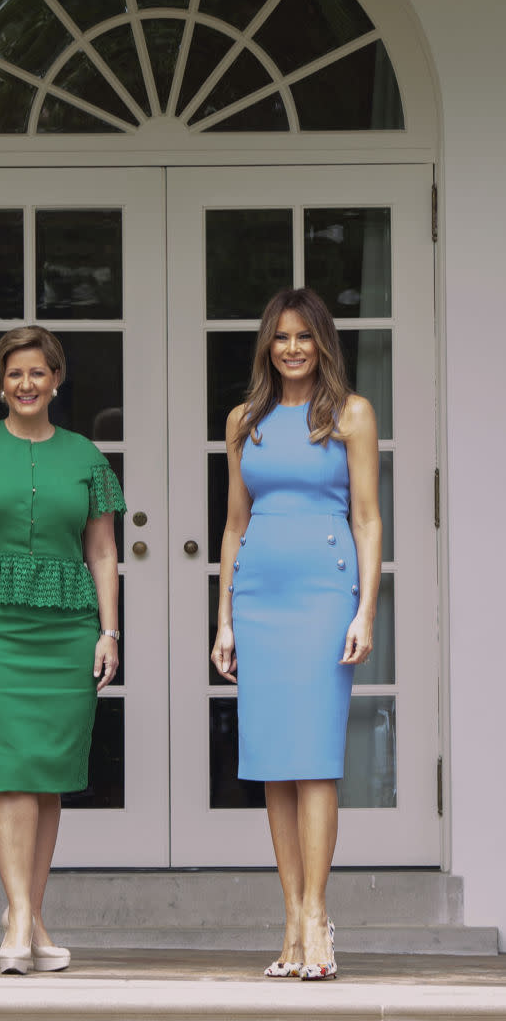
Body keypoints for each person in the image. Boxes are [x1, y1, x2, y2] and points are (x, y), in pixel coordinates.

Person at [0, 326, 125, 974]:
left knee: (48, 775)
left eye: (38, 372)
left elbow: (102, 551)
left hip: (67, 629)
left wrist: (109, 631)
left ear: (56, 380)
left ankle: (31, 919)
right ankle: (16, 916)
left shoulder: (86, 456)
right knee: (8, 767)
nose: (27, 384)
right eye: (15, 374)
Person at [211, 288, 381, 981]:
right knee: (273, 763)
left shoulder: (350, 415)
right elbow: (232, 525)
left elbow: (368, 519)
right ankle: (289, 917)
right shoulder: (242, 420)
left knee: (313, 758)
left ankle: (316, 913)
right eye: (280, 337)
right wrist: (222, 618)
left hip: (322, 596)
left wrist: (364, 609)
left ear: (322, 344)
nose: (290, 349)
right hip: (258, 599)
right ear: (266, 345)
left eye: (303, 337)